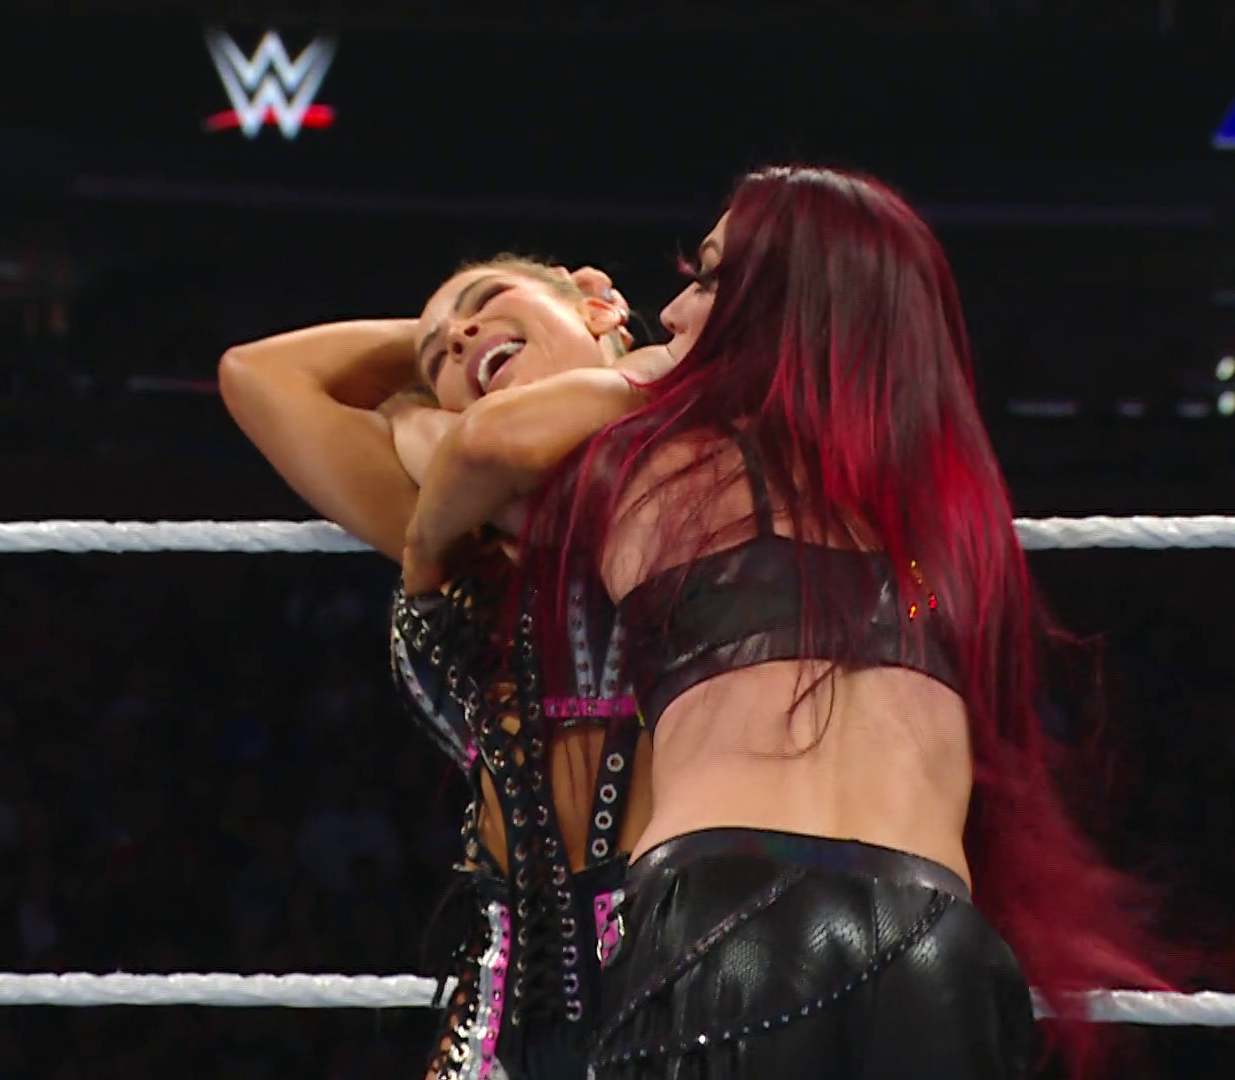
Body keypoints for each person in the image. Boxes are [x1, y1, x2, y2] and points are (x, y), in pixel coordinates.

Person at [403, 167, 1173, 1078]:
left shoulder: (648, 462)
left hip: (736, 917)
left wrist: (424, 555)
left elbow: (474, 443)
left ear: (774, 303)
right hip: (940, 941)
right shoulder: (933, 514)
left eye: (706, 279)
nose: (671, 311)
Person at [219, 257, 661, 1079]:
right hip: (503, 992)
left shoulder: (705, 465)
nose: (458, 334)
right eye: (437, 362)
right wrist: (460, 341)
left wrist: (554, 325)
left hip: (681, 958)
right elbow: (258, 375)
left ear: (602, 303)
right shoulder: (451, 526)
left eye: (484, 300)